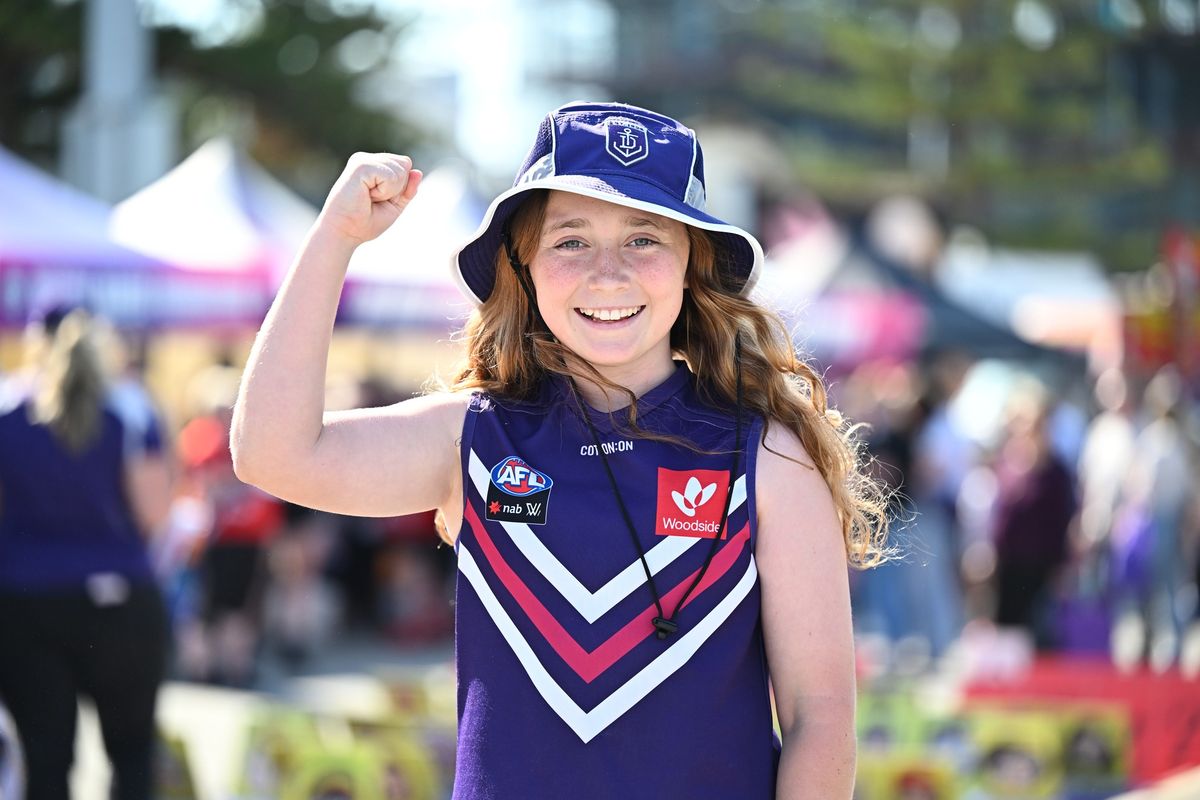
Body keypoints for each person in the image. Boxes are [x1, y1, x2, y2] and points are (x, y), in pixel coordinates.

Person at [232, 101, 891, 798]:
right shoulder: (474, 437)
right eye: (571, 241)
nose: (608, 274)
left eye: (645, 239)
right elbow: (271, 452)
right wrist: (335, 237)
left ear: (695, 265)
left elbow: (820, 715)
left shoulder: (762, 457)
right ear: (523, 265)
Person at [0, 307, 172, 800]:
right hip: (117, 598)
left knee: (45, 760)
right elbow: (154, 512)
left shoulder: (9, 407)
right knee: (132, 756)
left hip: (24, 601)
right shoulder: (131, 407)